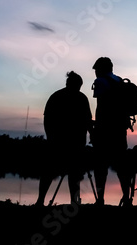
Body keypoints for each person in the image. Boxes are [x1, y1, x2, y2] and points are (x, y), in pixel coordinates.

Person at [35, 71, 93, 206]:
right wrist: (51, 137)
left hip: (71, 143)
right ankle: (42, 200)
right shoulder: (61, 97)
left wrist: (92, 134)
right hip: (62, 142)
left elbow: (87, 120)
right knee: (53, 172)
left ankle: (70, 201)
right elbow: (48, 120)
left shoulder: (73, 97)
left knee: (71, 173)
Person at [91, 57, 132, 206]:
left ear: (101, 69)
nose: (95, 72)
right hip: (120, 129)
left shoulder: (101, 81)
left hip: (105, 129)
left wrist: (96, 127)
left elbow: (101, 106)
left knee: (100, 166)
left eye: (96, 69)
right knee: (121, 165)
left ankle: (100, 199)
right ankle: (126, 198)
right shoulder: (120, 81)